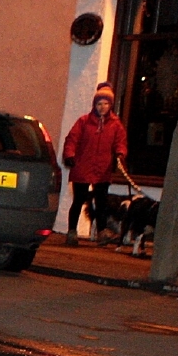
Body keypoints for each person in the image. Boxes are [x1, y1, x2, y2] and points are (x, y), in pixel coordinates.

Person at [62, 83, 128, 245]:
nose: (102, 107)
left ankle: (101, 232)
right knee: (78, 200)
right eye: (99, 104)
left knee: (101, 202)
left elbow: (120, 142)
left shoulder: (115, 125)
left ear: (111, 105)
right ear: (94, 105)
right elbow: (72, 140)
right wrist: (70, 155)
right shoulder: (84, 122)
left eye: (106, 104)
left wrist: (120, 154)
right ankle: (72, 231)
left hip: (102, 169)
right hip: (82, 167)